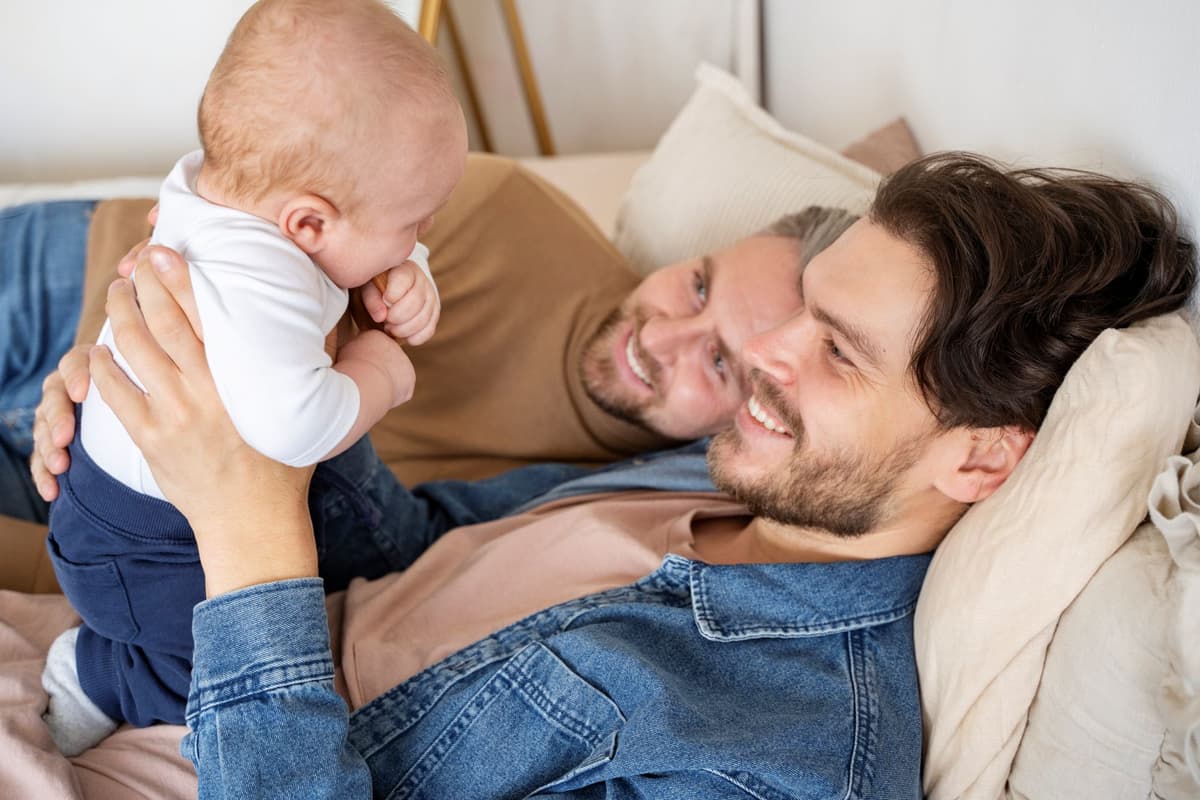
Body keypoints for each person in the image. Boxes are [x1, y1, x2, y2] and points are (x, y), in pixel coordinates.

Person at [38, 152, 1196, 796]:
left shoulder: (781, 758)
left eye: (836, 351)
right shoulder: (711, 473)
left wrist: (252, 540)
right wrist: (226, 414)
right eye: (806, 309)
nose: (764, 355)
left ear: (983, 453)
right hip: (133, 680)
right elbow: (411, 554)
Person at [38, 0, 468, 755]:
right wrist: (380, 372)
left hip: (136, 491)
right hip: (141, 543)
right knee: (206, 669)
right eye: (418, 225)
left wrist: (406, 271)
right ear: (308, 226)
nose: (424, 236)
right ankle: (100, 671)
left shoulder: (229, 192)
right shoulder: (255, 276)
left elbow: (354, 242)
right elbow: (295, 424)